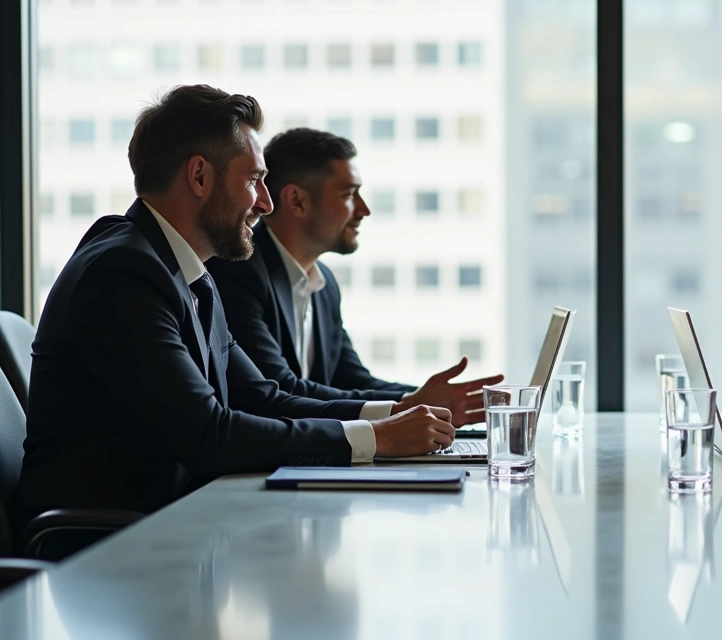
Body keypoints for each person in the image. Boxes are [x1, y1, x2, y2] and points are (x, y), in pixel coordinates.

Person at [14, 85, 456, 521]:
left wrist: (395, 418)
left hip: (176, 527)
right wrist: (375, 437)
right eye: (254, 180)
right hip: (104, 550)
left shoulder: (189, 274)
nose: (265, 203)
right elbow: (209, 433)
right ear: (200, 176)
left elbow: (265, 398)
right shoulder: (121, 274)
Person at [208, 128, 502, 427]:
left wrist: (424, 401)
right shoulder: (239, 270)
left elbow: (351, 378)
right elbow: (280, 389)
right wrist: (407, 406)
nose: (364, 210)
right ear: (296, 201)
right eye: (348, 194)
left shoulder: (325, 286)